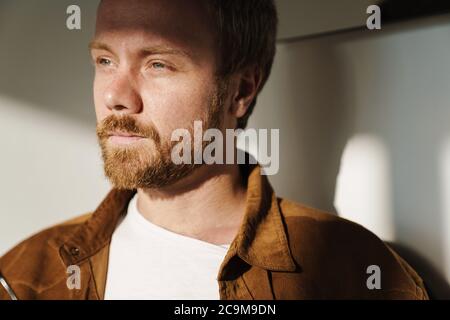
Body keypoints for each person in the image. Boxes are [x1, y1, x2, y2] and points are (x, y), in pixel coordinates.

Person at [0, 0, 428, 300]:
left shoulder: (354, 273)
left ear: (240, 90)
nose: (115, 96)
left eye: (157, 64)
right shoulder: (25, 276)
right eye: (105, 61)